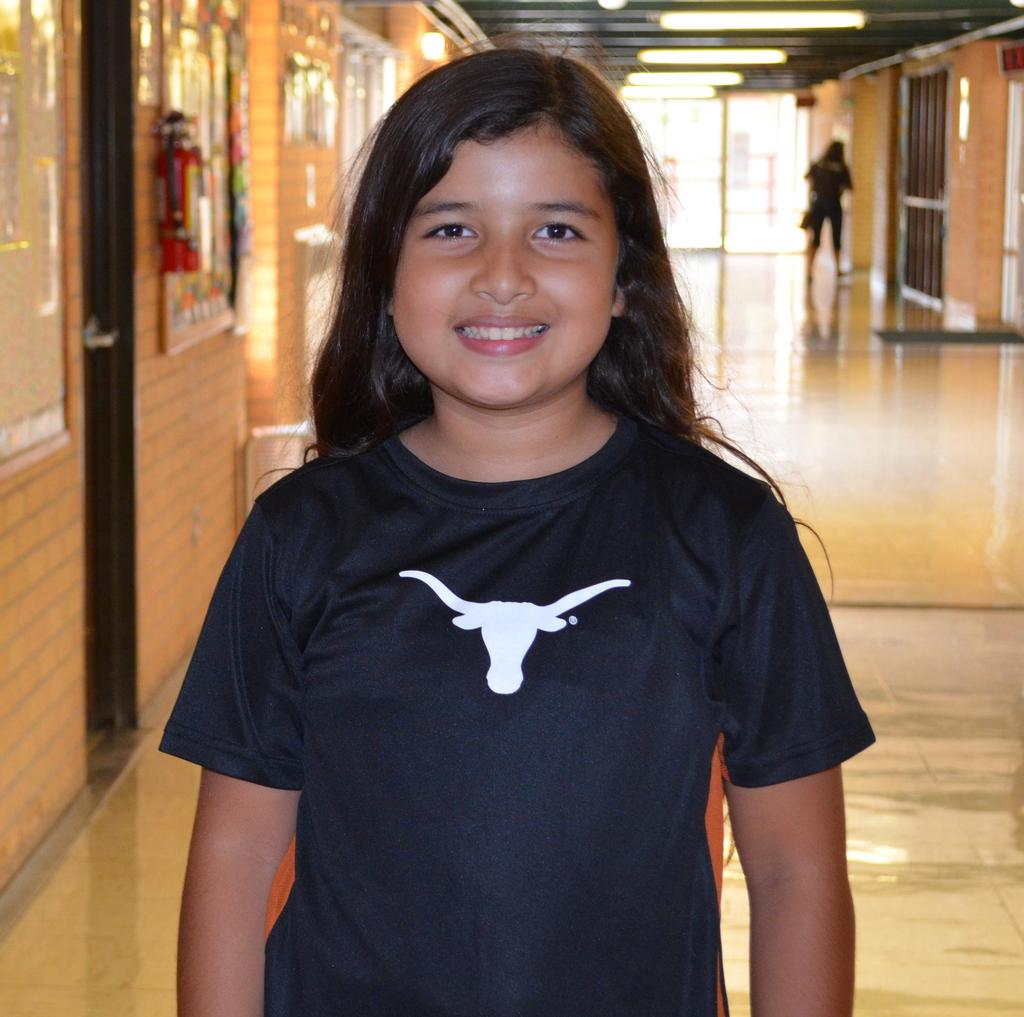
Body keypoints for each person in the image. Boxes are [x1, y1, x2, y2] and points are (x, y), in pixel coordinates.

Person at [161, 46, 875, 1017]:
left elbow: (795, 876)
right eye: (452, 229)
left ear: (623, 277)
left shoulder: (723, 534)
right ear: (384, 272)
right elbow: (237, 857)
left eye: (555, 231)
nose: (502, 277)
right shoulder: (303, 536)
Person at [804, 140, 853, 284]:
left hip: (817, 203)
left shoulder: (818, 164)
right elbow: (850, 187)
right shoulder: (842, 168)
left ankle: (809, 271)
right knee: (836, 238)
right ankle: (837, 270)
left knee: (815, 238)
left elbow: (807, 178)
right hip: (834, 204)